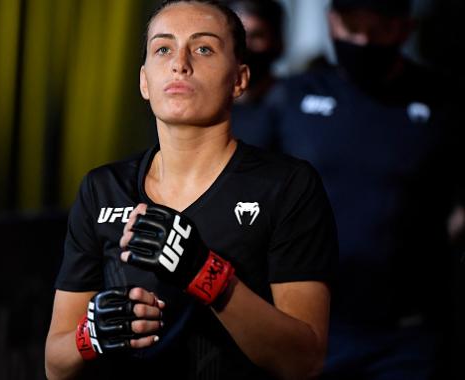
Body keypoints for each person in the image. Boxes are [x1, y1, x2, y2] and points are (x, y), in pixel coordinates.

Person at [45, 1, 338, 379]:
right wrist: (94, 335)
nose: (179, 63)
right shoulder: (103, 188)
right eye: (163, 48)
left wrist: (205, 274)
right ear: (144, 81)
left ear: (239, 79)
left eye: (203, 48)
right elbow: (55, 363)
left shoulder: (287, 186)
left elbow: (304, 361)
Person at [254, 0, 465, 378]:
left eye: (379, 28)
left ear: (404, 29)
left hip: (407, 335)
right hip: (305, 324)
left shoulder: (444, 102)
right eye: (353, 27)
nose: (363, 41)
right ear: (332, 21)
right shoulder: (291, 97)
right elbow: (249, 192)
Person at [223, 0, 285, 146]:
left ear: (277, 40)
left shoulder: (292, 107)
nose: (245, 46)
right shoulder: (203, 106)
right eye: (236, 37)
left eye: (256, 36)